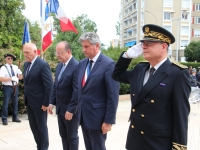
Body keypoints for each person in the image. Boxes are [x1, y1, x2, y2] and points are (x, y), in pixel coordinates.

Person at [112, 24, 191, 150]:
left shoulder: (178, 74)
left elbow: (180, 115)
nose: (144, 46)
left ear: (163, 46)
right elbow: (117, 75)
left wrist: (178, 146)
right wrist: (127, 56)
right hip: (135, 140)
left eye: (149, 43)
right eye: (143, 43)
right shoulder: (140, 68)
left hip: (157, 143)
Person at [77, 32, 119, 150]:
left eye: (86, 46)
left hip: (98, 119)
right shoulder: (82, 63)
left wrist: (108, 121)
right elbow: (81, 90)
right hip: (83, 117)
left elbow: (113, 95)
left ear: (97, 45)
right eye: (82, 46)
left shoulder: (108, 64)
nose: (83, 50)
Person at [48, 41, 79, 150]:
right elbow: (55, 85)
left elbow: (77, 91)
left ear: (68, 51)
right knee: (63, 135)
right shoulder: (59, 66)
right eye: (56, 53)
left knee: (72, 137)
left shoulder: (76, 66)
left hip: (71, 110)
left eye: (60, 53)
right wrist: (52, 102)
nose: (58, 55)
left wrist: (71, 109)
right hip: (60, 109)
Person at [23, 43, 53, 150]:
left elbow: (49, 85)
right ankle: (39, 146)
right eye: (24, 52)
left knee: (42, 128)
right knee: (34, 127)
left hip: (40, 103)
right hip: (29, 102)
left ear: (35, 52)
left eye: (28, 52)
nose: (25, 55)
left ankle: (44, 147)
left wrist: (46, 103)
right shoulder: (26, 65)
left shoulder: (42, 65)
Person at [0, 54, 23, 125]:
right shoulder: (3, 68)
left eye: (11, 59)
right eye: (8, 58)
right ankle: (4, 119)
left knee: (15, 103)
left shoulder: (16, 67)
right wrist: (11, 78)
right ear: (5, 59)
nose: (10, 60)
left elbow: (21, 78)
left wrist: (19, 74)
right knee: (6, 103)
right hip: (7, 87)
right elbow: (1, 79)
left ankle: (15, 117)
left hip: (15, 87)